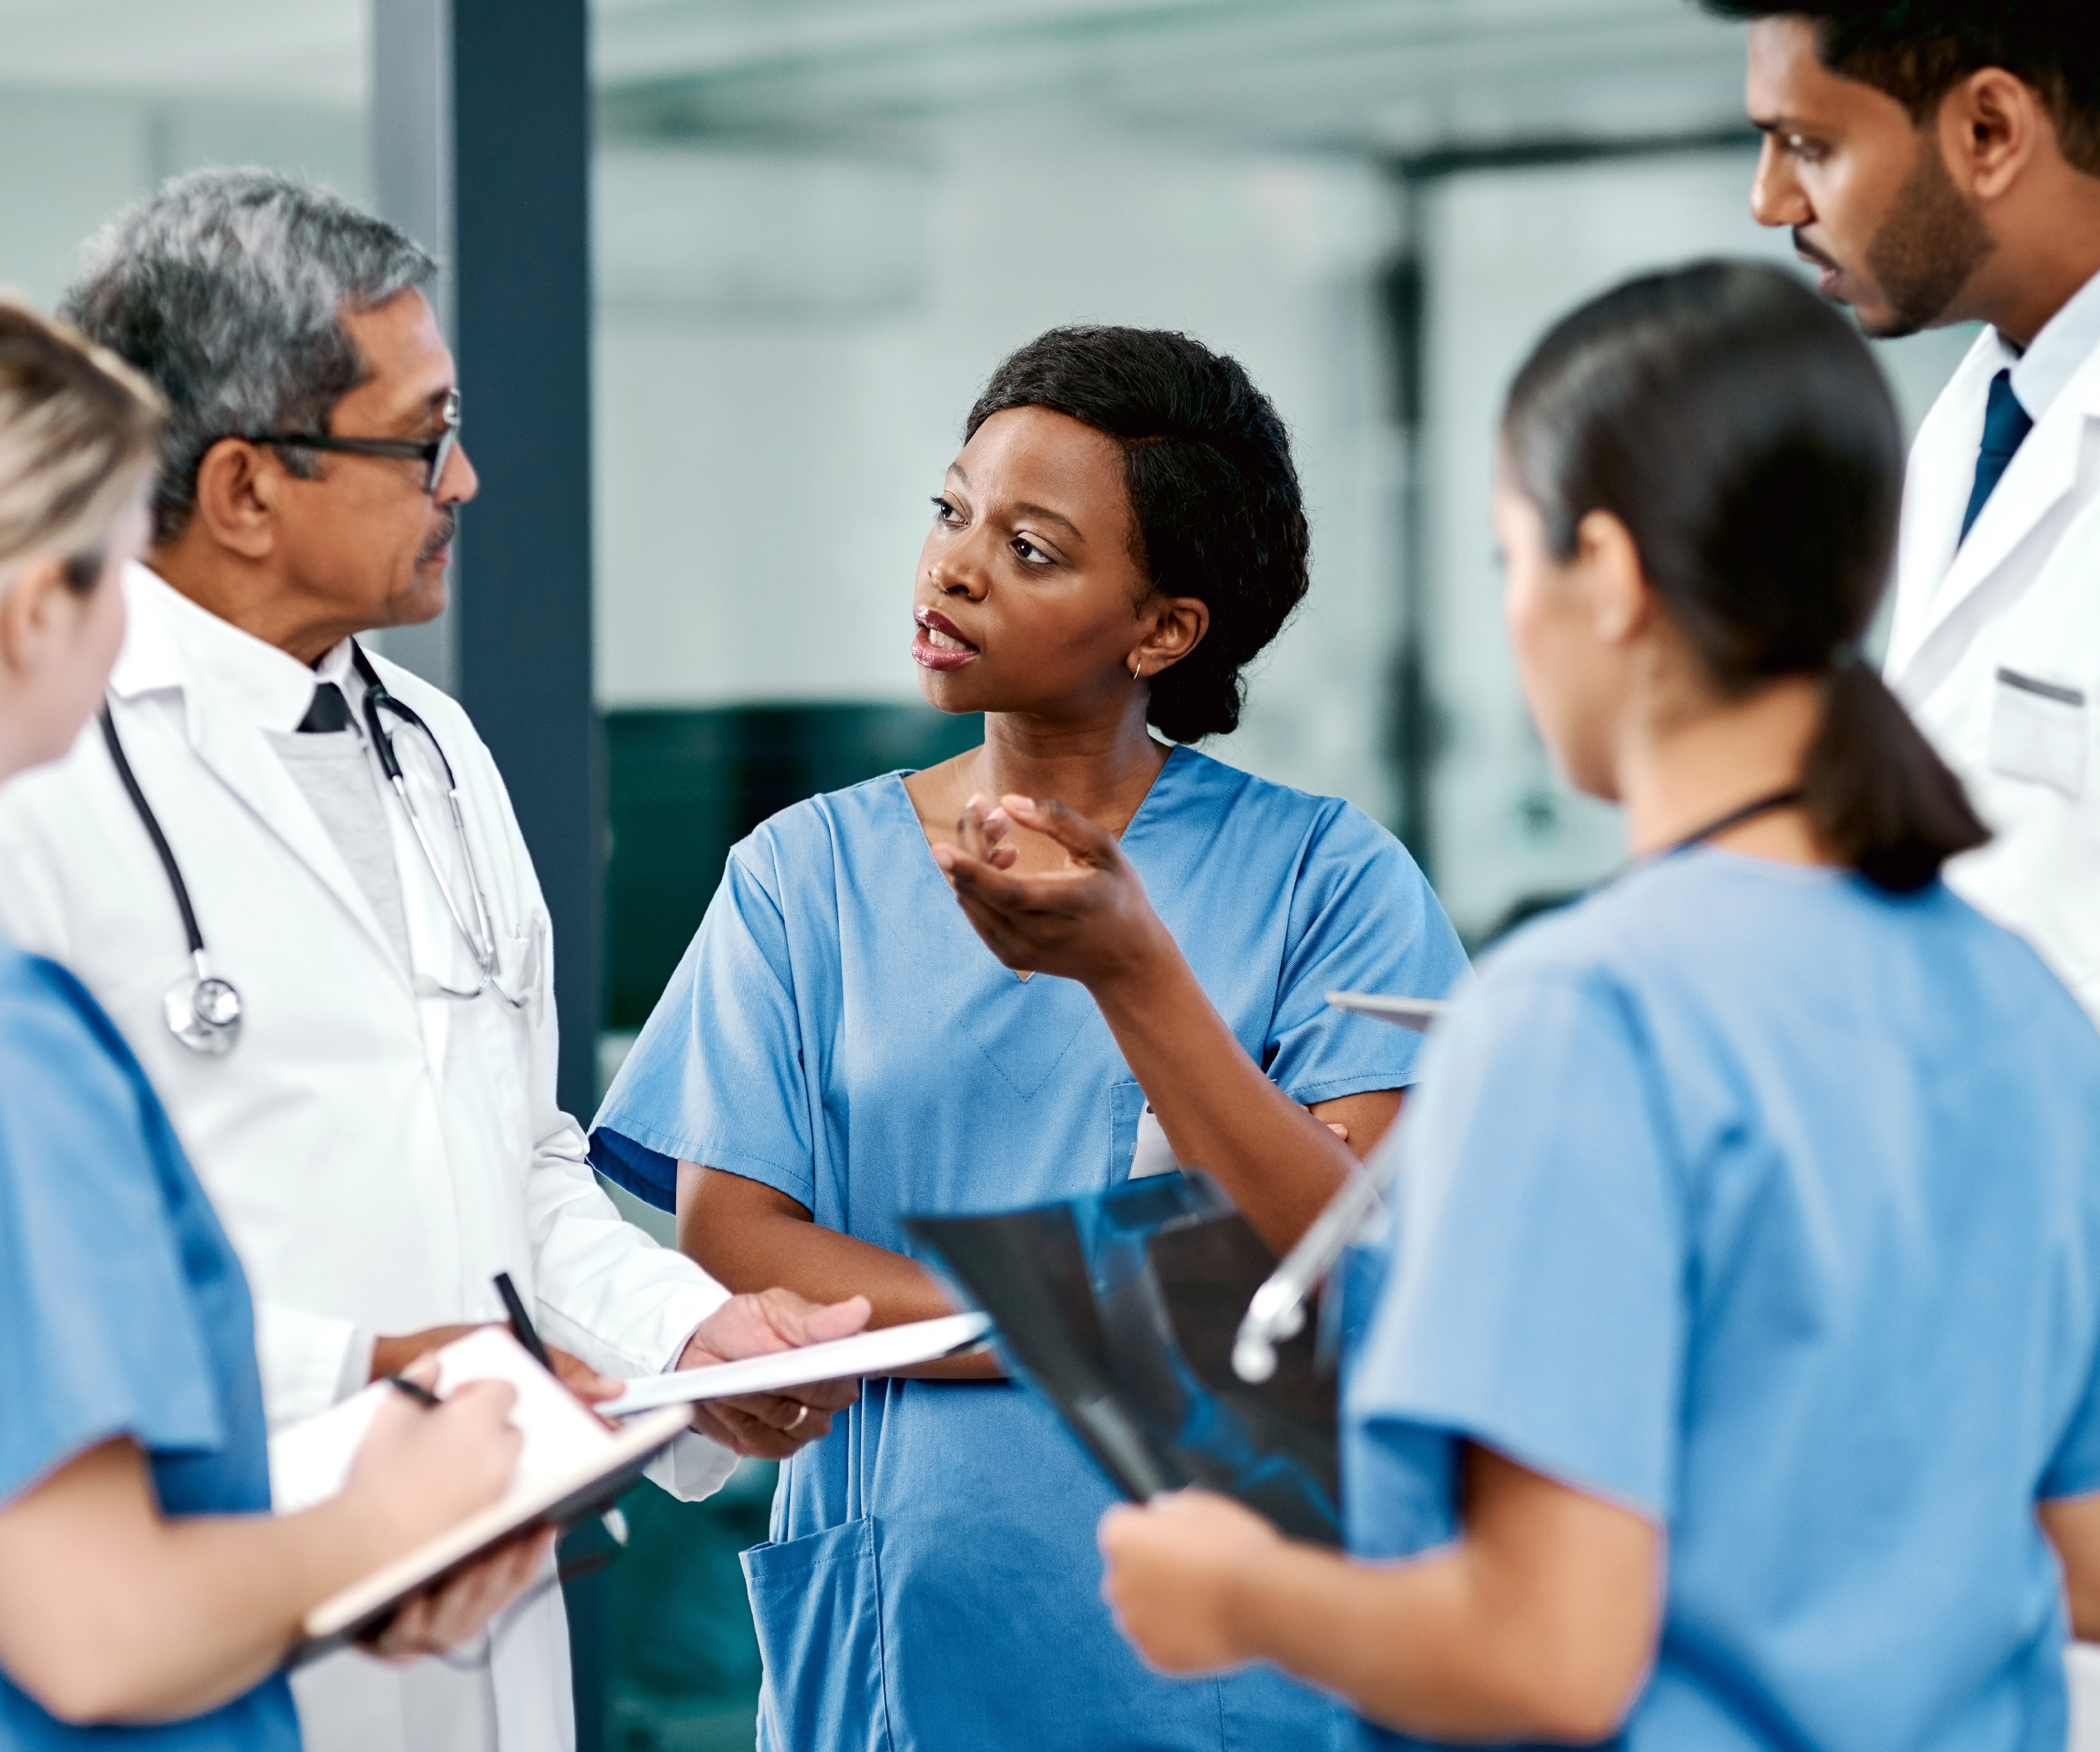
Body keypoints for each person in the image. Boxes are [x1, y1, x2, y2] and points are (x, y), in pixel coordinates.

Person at [1095, 262, 2100, 1749]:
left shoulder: (1581, 1020)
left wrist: (1246, 1595)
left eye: (1509, 557)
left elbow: (1549, 1657)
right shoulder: (2023, 1013)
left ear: (1604, 573)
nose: (1519, 615)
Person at [0, 170, 865, 1752]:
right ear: (243, 487)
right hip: (198, 1598)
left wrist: (684, 1338)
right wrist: (382, 1377)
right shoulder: (25, 778)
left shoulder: (435, 749)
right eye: (420, 436)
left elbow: (521, 1169)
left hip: (488, 1600)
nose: (467, 479)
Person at [590, 324, 1466, 1750]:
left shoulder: (1330, 879)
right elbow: (739, 1244)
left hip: (1225, 1655)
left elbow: (1344, 1259)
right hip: (905, 1640)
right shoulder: (800, 879)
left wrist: (1138, 987)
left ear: (1165, 626)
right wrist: (1099, 1325)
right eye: (952, 512)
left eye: (1034, 548)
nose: (953, 566)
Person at [0, 280, 554, 1751]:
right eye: (121, 571)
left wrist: (312, 1574)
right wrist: (389, 1516)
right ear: (34, 608)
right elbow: (100, 1633)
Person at [1709, 3, 2100, 1740]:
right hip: (1987, 1451)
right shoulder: (1987, 412)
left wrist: (1892, 1217)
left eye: (1808, 144)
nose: (1765, 200)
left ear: (1987, 129)